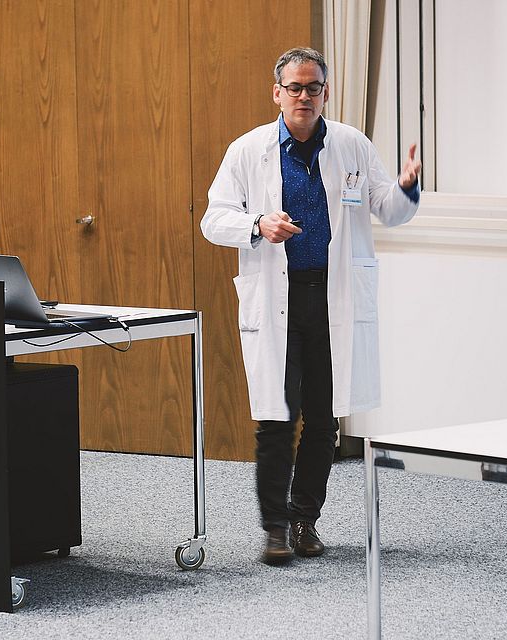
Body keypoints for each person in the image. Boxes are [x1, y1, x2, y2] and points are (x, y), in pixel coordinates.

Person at [200, 47, 421, 564]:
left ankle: (305, 521)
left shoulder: (351, 144)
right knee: (277, 418)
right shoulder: (247, 150)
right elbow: (214, 219)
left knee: (324, 419)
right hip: (278, 298)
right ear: (277, 93)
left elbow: (388, 209)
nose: (304, 96)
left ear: (325, 93)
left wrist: (407, 187)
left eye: (313, 87)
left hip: (333, 297)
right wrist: (257, 224)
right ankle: (274, 530)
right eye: (294, 87)